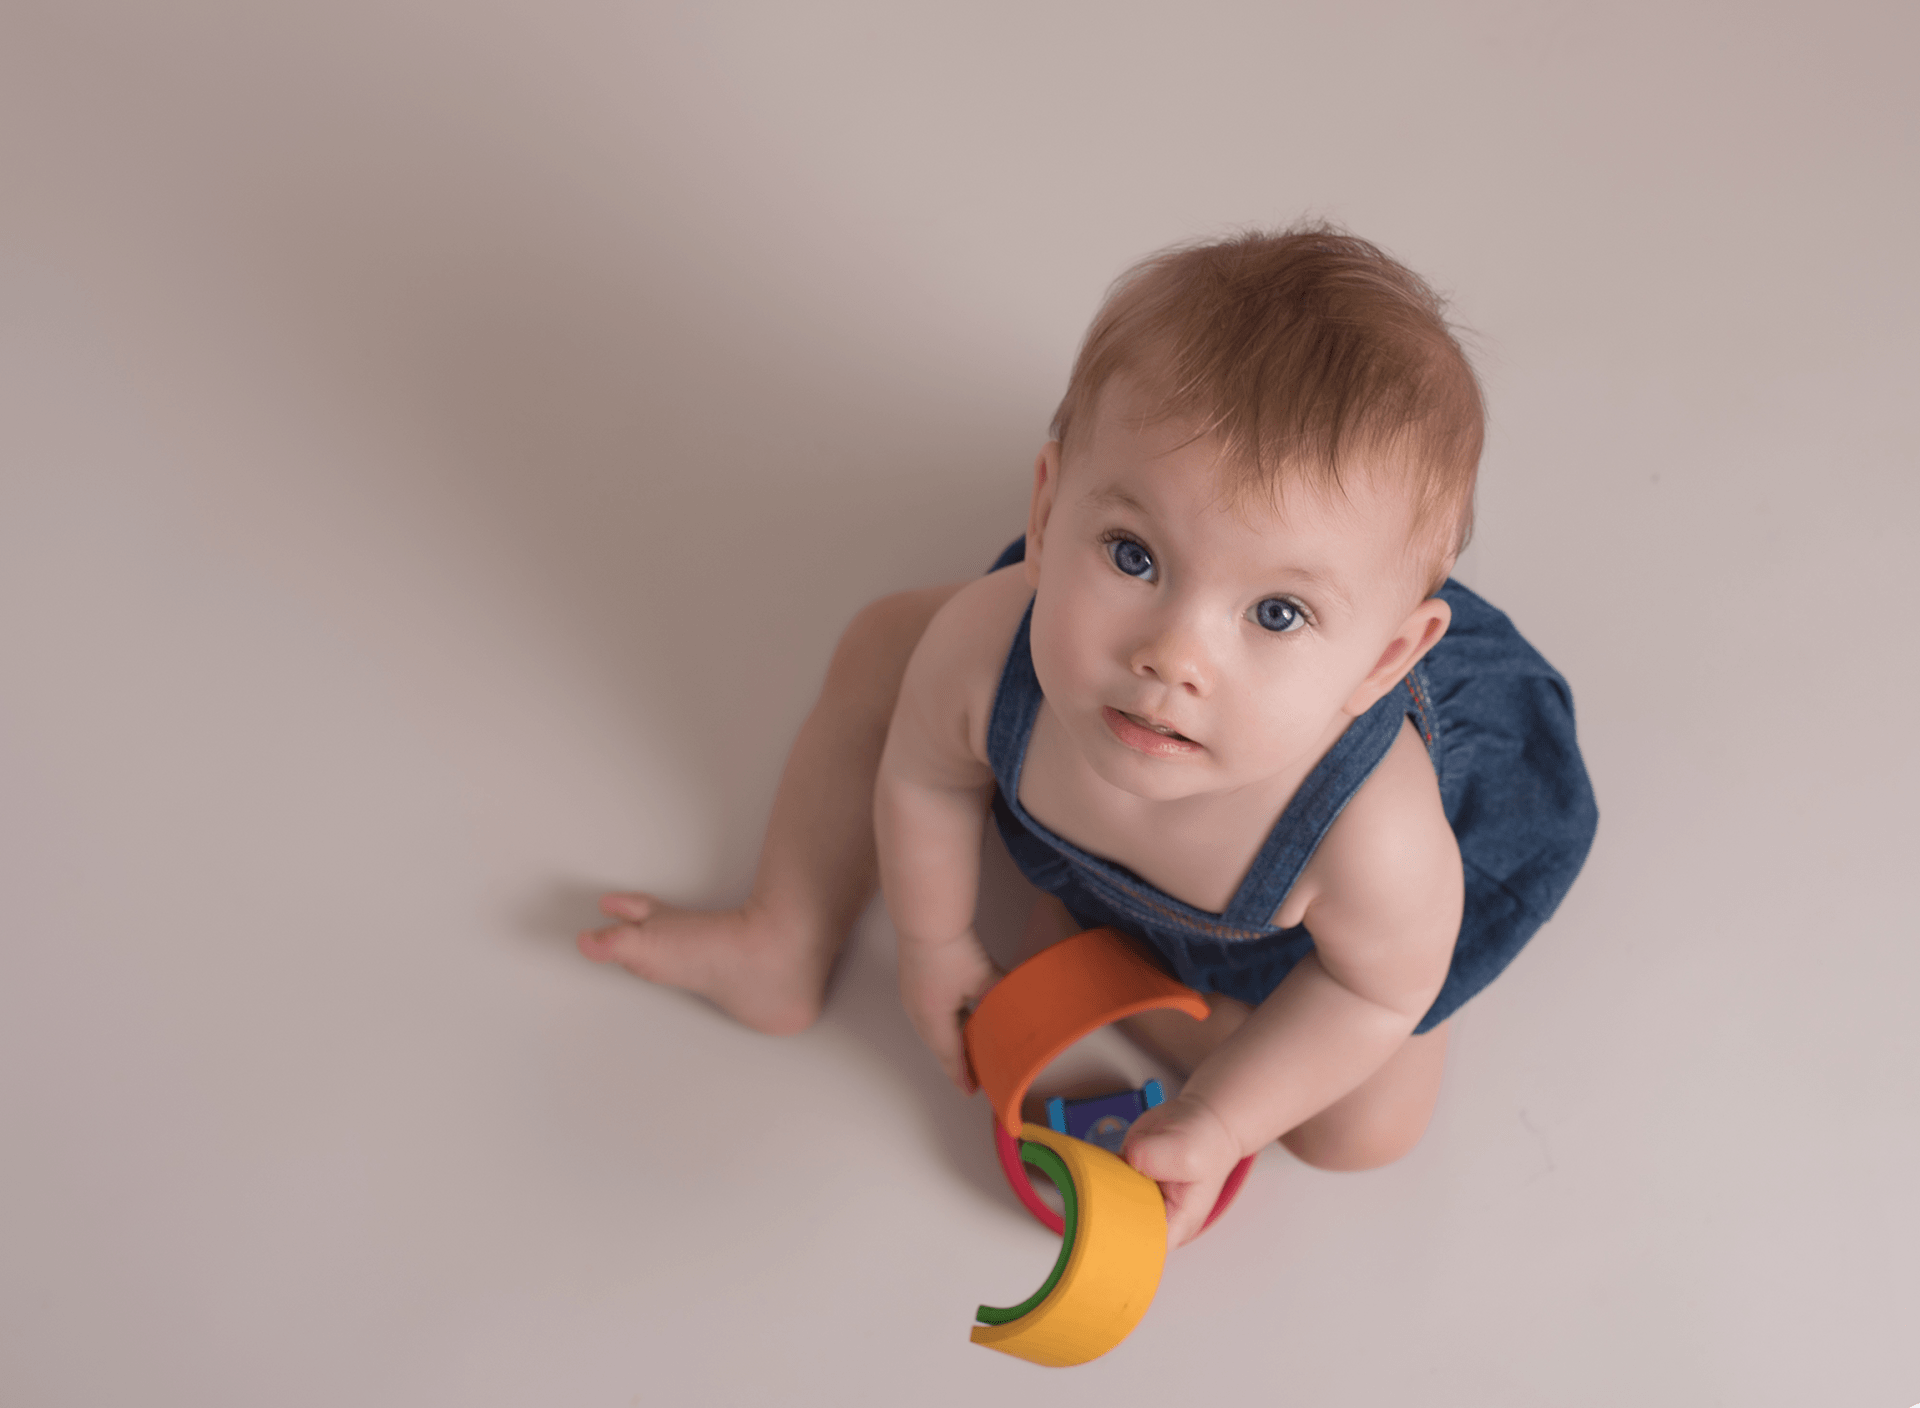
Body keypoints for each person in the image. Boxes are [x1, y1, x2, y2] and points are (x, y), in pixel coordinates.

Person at [579, 225, 1597, 1246]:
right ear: (1049, 499)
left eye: (1276, 613)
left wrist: (1217, 1117)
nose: (1172, 656)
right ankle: (784, 933)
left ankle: (1135, 969)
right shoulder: (989, 652)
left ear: (1384, 661)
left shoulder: (1374, 833)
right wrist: (933, 946)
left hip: (1324, 939)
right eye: (1132, 553)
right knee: (886, 642)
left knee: (1360, 1130)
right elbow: (927, 779)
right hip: (1100, 790)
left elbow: (1373, 986)